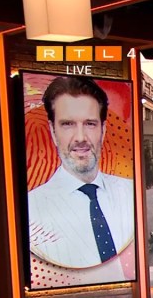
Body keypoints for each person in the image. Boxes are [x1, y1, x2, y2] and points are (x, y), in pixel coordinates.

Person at [28, 76, 135, 283]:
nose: (80, 138)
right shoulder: (32, 208)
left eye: (90, 124)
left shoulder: (131, 192)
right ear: (52, 131)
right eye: (68, 124)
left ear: (103, 130)